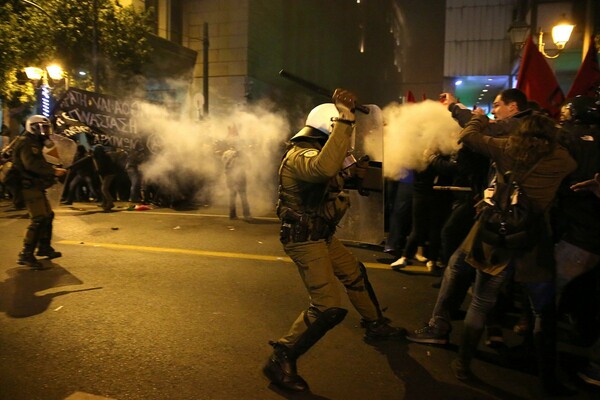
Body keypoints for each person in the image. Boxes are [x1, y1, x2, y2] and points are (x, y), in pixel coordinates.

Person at [263, 89, 405, 392]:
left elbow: (332, 177)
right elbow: (323, 169)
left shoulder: (318, 153)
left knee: (355, 274)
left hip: (322, 234)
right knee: (328, 307)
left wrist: (354, 174)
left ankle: (375, 323)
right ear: (329, 128)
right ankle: (282, 356)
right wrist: (345, 117)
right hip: (304, 239)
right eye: (340, 131)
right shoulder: (299, 156)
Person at [451, 112, 576, 396]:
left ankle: (463, 364)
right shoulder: (562, 159)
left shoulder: (504, 147)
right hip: (534, 242)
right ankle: (547, 378)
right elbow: (575, 163)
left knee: (481, 303)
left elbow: (467, 137)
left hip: (497, 238)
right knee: (542, 310)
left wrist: (478, 120)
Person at [406, 89, 531, 346]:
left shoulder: (515, 130)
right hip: (507, 214)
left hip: (504, 218)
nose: (493, 111)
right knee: (473, 270)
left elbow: (471, 136)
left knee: (482, 278)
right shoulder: (530, 134)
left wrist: (457, 109)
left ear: (514, 107)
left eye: (497, 106)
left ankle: (455, 336)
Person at [11, 115, 67, 269]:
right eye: (42, 128)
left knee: (48, 215)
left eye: (47, 128)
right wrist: (53, 171)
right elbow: (31, 165)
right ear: (32, 127)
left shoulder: (34, 143)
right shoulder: (27, 143)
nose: (45, 132)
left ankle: (44, 247)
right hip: (27, 186)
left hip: (35, 185)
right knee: (39, 218)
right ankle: (26, 254)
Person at [92, 145, 118, 212]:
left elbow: (103, 167)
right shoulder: (102, 156)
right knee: (103, 188)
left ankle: (110, 203)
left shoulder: (104, 157)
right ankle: (104, 202)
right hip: (107, 174)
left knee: (104, 189)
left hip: (109, 174)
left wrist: (99, 171)